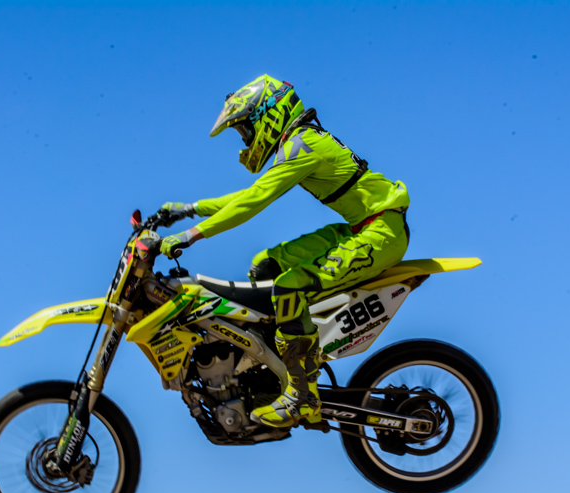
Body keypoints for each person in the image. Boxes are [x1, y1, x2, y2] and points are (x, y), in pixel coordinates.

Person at [159, 75, 410, 429]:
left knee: (289, 287)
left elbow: (253, 201)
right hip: (359, 227)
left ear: (268, 114)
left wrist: (190, 235)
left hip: (381, 232)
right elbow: (249, 195)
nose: (246, 140)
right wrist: (190, 208)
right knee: (265, 264)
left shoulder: (303, 146)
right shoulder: (298, 141)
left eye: (246, 129)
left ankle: (302, 394)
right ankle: (274, 362)